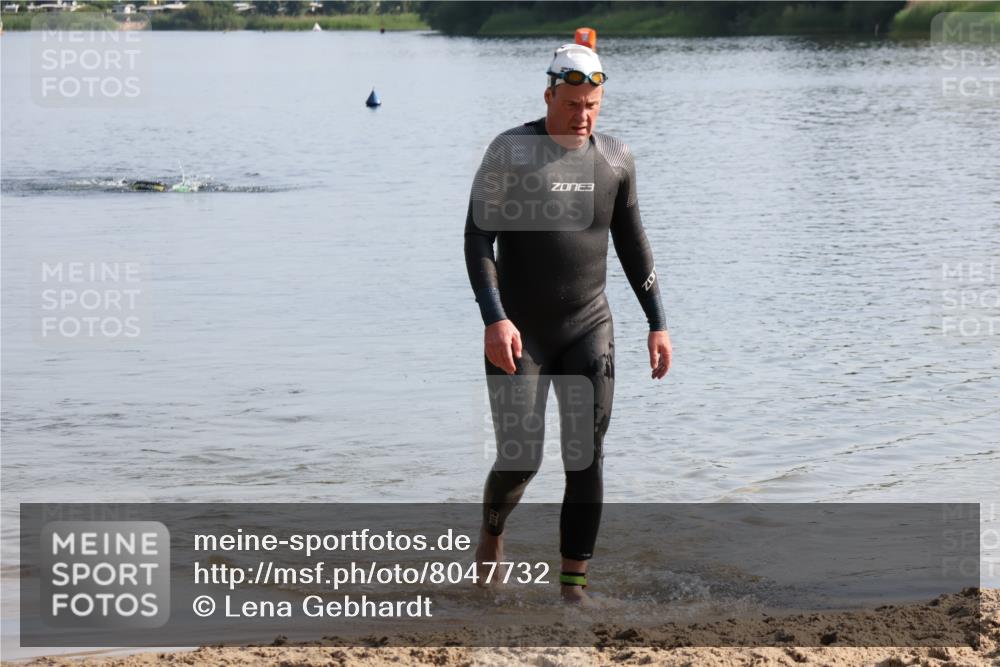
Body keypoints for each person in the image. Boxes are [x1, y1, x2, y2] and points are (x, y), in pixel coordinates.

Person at [464, 41, 672, 603]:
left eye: (594, 105)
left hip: (589, 326)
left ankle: (573, 586)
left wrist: (658, 321)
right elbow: (478, 237)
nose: (584, 116)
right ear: (550, 94)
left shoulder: (616, 160)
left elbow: (633, 244)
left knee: (586, 453)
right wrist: (495, 318)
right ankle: (491, 535)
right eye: (575, 103)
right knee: (520, 458)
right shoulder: (511, 152)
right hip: (519, 332)